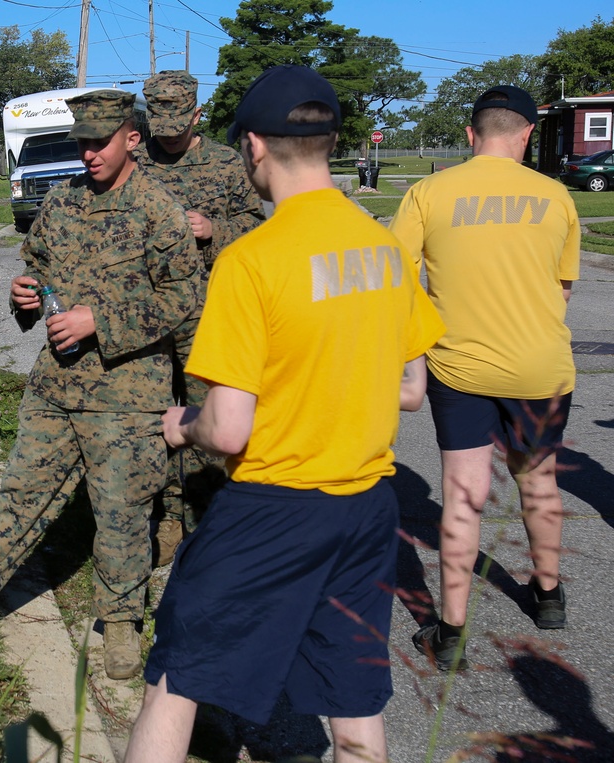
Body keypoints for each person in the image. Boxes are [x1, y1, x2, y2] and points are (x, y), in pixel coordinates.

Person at [123, 65, 445, 763]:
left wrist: (183, 425)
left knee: (174, 679)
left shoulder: (252, 260)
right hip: (366, 508)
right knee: (354, 710)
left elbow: (230, 428)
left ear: (254, 150)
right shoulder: (386, 249)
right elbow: (412, 387)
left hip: (272, 506)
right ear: (329, 144)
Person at [0, 89, 201, 680]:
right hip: (56, 385)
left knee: (122, 511)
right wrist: (23, 297)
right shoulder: (62, 204)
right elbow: (36, 270)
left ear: (132, 139)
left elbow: (186, 298)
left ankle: (122, 622)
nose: (86, 155)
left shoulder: (158, 210)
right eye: (80, 143)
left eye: (97, 143)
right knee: (18, 492)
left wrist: (99, 321)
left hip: (128, 394)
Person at [389, 85, 580, 671]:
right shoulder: (557, 197)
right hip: (541, 369)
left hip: (459, 368)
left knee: (463, 497)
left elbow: (398, 283)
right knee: (538, 482)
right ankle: (547, 597)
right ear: (525, 135)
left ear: (471, 135)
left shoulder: (427, 192)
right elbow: (563, 289)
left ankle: (450, 631)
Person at [136, 70, 265, 565]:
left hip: (208, 314)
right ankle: (166, 516)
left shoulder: (225, 163)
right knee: (151, 416)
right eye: (158, 124)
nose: (167, 135)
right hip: (146, 313)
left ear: (196, 114)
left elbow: (255, 228)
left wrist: (215, 229)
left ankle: (206, 518)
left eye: (177, 123)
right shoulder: (135, 159)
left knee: (205, 417)